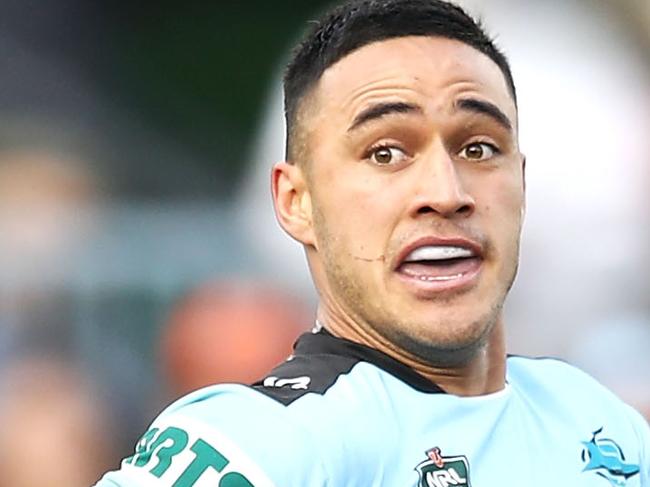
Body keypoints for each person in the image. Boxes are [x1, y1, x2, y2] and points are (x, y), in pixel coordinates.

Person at [95, 0, 650, 485]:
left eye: (478, 148)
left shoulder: (600, 421)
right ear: (296, 202)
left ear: (522, 183)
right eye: (386, 152)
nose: (446, 191)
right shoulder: (263, 444)